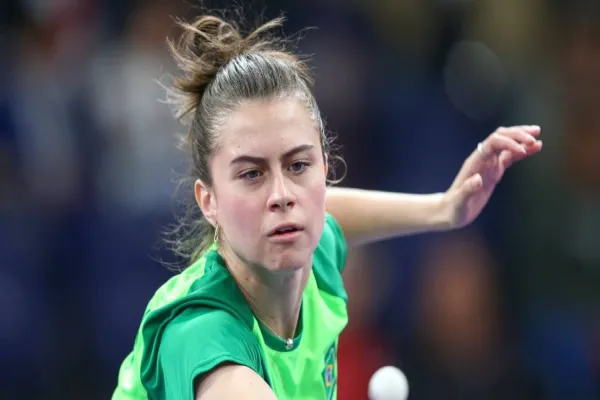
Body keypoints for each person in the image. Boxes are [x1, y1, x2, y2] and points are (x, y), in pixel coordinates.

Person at [112, 13, 542, 400]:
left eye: (298, 165)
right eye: (252, 174)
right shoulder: (203, 334)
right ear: (209, 201)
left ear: (325, 168)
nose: (282, 195)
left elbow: (329, 214)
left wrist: (444, 209)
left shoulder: (307, 258)